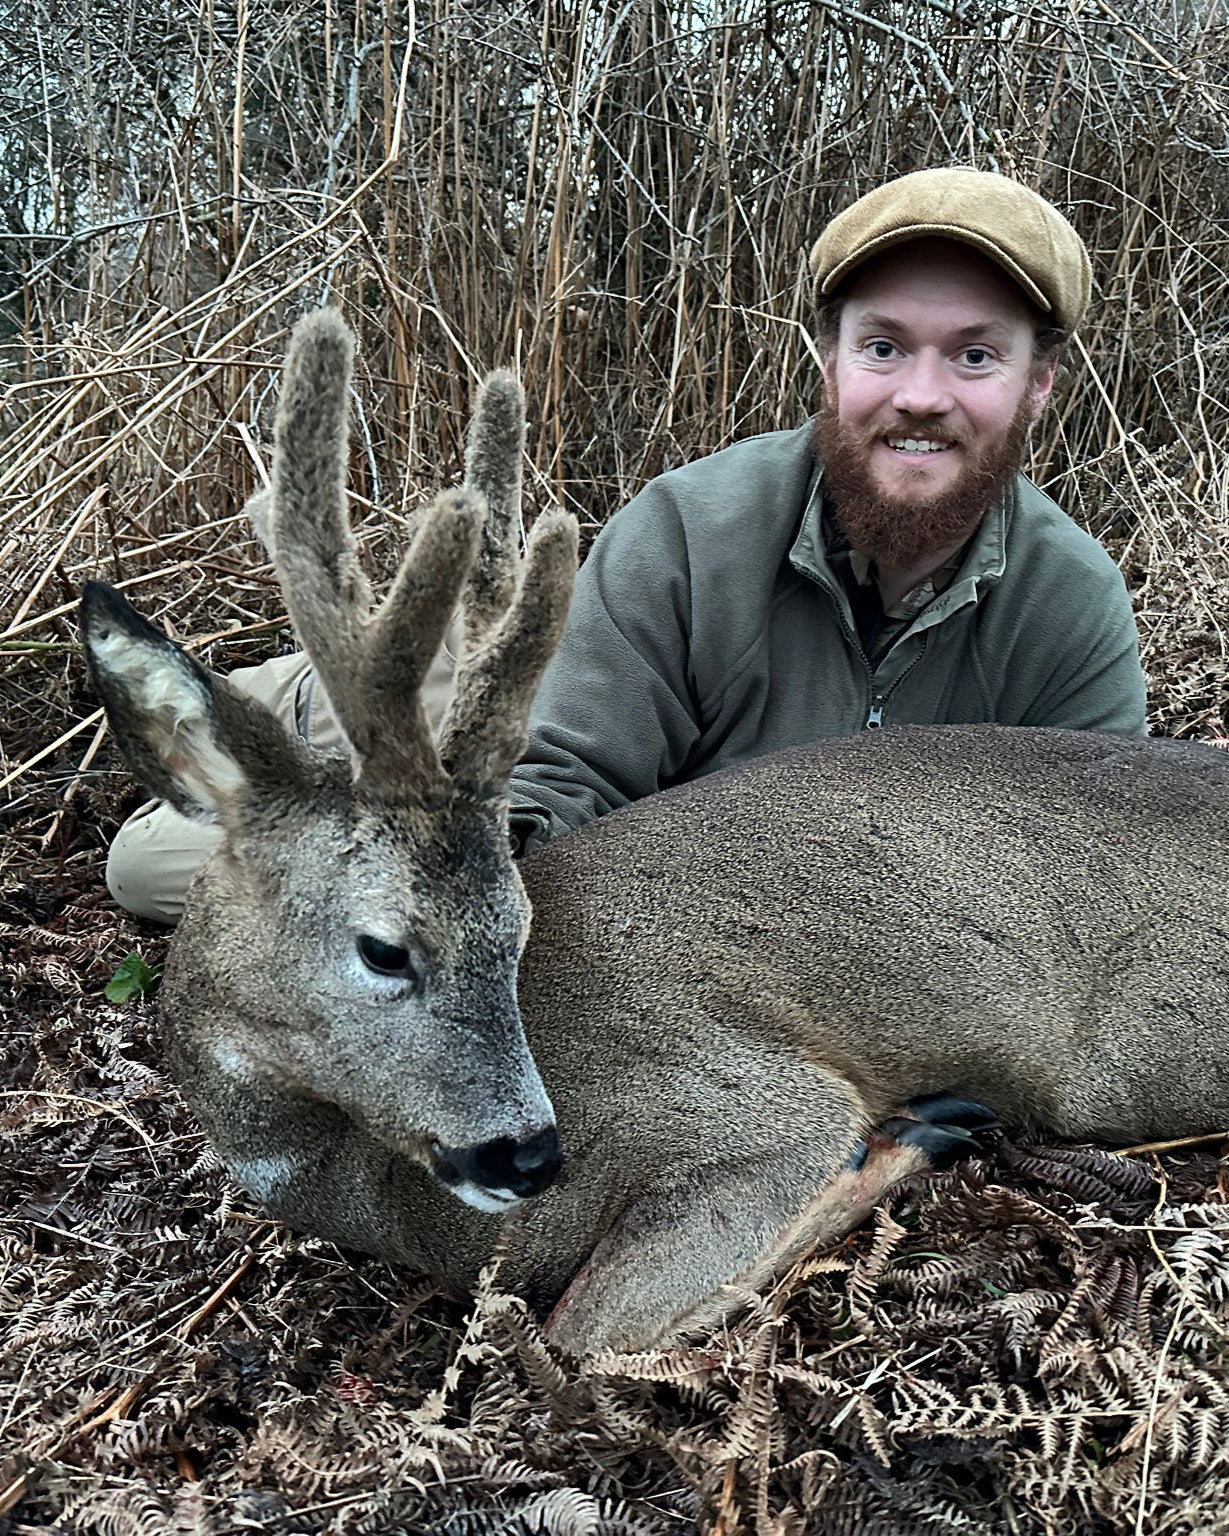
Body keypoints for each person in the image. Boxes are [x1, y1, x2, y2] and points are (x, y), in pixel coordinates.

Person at [105, 166, 1146, 923]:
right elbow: (557, 780)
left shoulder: (1068, 608)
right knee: (152, 868)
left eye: (973, 355)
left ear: (1037, 382)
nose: (919, 396)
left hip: (742, 896)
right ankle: (303, 695)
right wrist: (475, 884)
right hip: (516, 712)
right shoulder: (690, 530)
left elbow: (1086, 883)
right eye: (882, 347)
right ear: (826, 361)